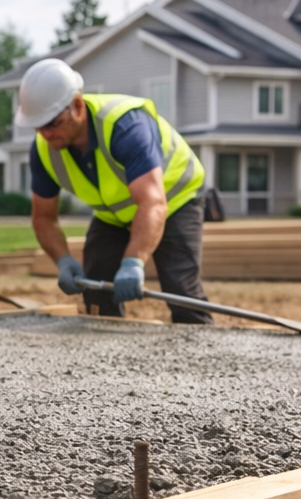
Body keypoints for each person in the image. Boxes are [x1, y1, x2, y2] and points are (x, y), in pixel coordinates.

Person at [20, 57, 211, 323]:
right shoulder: (44, 150)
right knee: (96, 285)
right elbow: (43, 217)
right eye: (37, 126)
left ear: (76, 105)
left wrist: (134, 262)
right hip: (115, 215)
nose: (45, 134)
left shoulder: (125, 126)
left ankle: (200, 348)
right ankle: (106, 356)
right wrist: (62, 260)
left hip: (175, 200)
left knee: (180, 289)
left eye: (51, 123)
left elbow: (153, 204)